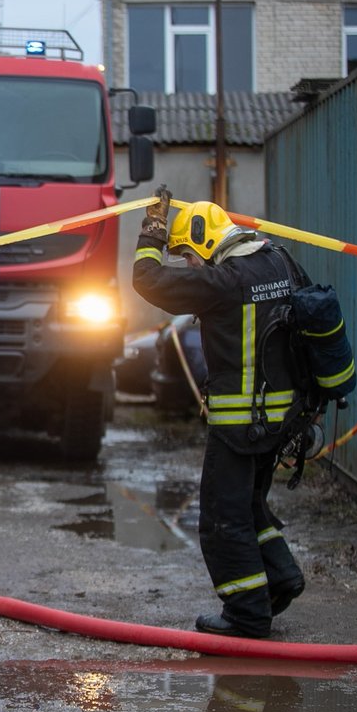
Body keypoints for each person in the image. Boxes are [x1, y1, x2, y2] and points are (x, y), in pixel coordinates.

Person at [131, 187, 307, 639]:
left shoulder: (223, 281)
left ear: (206, 244)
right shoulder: (281, 262)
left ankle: (247, 615)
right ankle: (281, 579)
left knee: (221, 518)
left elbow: (147, 278)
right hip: (282, 422)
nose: (191, 266)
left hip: (239, 426)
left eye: (189, 255)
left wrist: (154, 224)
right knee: (249, 504)